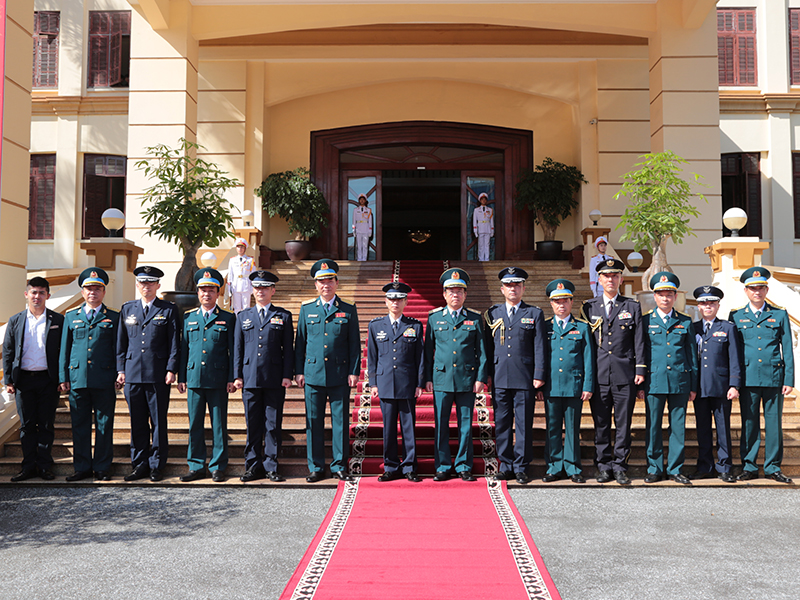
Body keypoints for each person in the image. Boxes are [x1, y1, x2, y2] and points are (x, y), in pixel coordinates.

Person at [580, 258, 645, 485]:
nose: (611, 279)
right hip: (598, 376)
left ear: (621, 279)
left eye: (615, 275)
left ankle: (620, 466)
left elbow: (639, 342)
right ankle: (603, 466)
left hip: (624, 374)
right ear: (599, 279)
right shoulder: (588, 308)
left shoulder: (632, 306)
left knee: (624, 424)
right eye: (606, 276)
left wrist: (640, 370)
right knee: (601, 424)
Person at [295, 259, 361, 482]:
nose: (326, 285)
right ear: (315, 285)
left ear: (337, 282)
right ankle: (315, 466)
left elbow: (354, 344)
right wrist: (299, 371)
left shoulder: (348, 309)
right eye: (321, 281)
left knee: (340, 422)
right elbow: (300, 344)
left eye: (329, 280)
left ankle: (339, 465)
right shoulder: (306, 309)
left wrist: (354, 372)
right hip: (313, 374)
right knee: (313, 422)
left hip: (340, 374)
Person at [730, 266, 794, 483]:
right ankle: (748, 465)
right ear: (746, 291)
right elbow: (733, 352)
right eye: (752, 288)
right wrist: (734, 381)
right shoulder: (736, 315)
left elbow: (788, 348)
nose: (756, 292)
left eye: (760, 288)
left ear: (766, 290)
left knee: (774, 424)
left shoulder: (779, 314)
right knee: (749, 423)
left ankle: (773, 467)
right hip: (747, 378)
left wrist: (789, 379)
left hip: (774, 377)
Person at [116, 266, 180, 482]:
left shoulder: (168, 309)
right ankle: (139, 463)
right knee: (137, 421)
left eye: (151, 283)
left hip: (158, 375)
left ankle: (157, 464)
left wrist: (172, 368)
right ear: (137, 285)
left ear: (158, 286)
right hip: (133, 374)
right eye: (143, 283)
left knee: (158, 421)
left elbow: (174, 342)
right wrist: (121, 369)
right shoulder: (128, 309)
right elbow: (121, 343)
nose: (146, 286)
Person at [424, 268, 488, 481]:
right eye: (451, 291)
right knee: (441, 425)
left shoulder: (476, 318)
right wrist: (427, 378)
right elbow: (427, 350)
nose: (455, 295)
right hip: (441, 379)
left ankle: (463, 466)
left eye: (459, 291)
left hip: (467, 380)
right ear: (444, 294)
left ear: (465, 294)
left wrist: (480, 377)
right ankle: (442, 465)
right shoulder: (434, 318)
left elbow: (482, 351)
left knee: (465, 425)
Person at [484, 267, 545, 484]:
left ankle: (521, 466)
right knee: (501, 423)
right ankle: (506, 464)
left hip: (525, 377)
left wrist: (539, 375)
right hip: (500, 376)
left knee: (523, 424)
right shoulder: (492, 313)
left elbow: (539, 346)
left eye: (517, 285)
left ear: (523, 288)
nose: (513, 289)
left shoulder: (534, 313)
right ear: (502, 289)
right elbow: (486, 348)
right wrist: (487, 375)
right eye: (509, 285)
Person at [58, 268, 119, 482]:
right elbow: (65, 349)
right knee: (80, 426)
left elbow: (117, 349)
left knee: (104, 425)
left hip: (104, 379)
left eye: (97, 288)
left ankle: (102, 467)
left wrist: (119, 374)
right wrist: (63, 377)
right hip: (78, 379)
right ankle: (82, 467)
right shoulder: (71, 316)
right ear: (83, 292)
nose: (92, 292)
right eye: (89, 288)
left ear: (103, 292)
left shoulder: (113, 317)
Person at [234, 270, 294, 482]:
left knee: (272, 424)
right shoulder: (243, 316)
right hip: (249, 377)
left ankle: (270, 465)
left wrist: (288, 375)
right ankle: (252, 466)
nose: (260, 291)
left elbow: (288, 349)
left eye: (265, 287)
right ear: (253, 291)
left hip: (274, 378)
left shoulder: (283, 316)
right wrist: (237, 376)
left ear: (273, 291)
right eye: (257, 287)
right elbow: (238, 349)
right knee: (253, 424)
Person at [3, 277, 64, 482]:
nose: (37, 296)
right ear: (26, 294)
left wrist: (62, 378)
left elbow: (63, 351)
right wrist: (8, 380)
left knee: (46, 425)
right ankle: (28, 466)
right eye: (33, 292)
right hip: (24, 381)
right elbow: (8, 350)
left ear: (48, 295)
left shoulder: (57, 320)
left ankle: (45, 466)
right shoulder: (16, 320)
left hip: (48, 380)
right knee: (27, 425)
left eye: (41, 292)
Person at [178, 269, 236, 483]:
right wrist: (181, 376)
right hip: (193, 378)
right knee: (195, 424)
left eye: (211, 290)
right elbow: (183, 349)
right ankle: (196, 465)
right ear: (197, 292)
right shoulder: (188, 317)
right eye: (203, 290)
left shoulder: (228, 318)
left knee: (219, 424)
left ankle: (218, 466)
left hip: (218, 379)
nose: (207, 294)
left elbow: (233, 351)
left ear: (218, 293)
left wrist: (232, 377)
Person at [642, 272, 698, 485]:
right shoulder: (646, 320)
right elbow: (642, 353)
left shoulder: (685, 321)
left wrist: (693, 385)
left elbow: (691, 354)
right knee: (653, 426)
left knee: (678, 427)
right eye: (661, 294)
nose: (665, 298)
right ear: (654, 296)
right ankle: (654, 468)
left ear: (675, 297)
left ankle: (675, 468)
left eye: (669, 294)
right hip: (654, 381)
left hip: (679, 381)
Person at [367, 282, 424, 483]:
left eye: (399, 299)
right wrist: (373, 383)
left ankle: (409, 467)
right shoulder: (375, 325)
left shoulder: (414, 326)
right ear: (386, 301)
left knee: (409, 428)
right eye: (392, 299)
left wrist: (419, 383)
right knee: (389, 429)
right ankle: (390, 466)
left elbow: (420, 357)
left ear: (406, 302)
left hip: (407, 383)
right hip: (384, 383)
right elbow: (372, 356)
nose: (395, 302)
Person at [540, 279, 594, 483]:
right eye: (557, 301)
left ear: (572, 303)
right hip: (551, 386)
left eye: (565, 301)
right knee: (552, 428)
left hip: (574, 386)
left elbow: (588, 358)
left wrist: (588, 385)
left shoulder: (581, 327)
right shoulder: (544, 327)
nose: (561, 305)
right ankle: (554, 466)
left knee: (572, 428)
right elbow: (540, 357)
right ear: (551, 304)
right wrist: (540, 383)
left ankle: (572, 468)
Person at [690, 285, 740, 483]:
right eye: (703, 303)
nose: (707, 306)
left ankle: (725, 466)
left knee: (722, 428)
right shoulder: (692, 328)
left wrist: (734, 385)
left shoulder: (727, 328)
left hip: (721, 388)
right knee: (702, 428)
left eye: (711, 302)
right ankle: (705, 466)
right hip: (700, 388)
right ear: (698, 306)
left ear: (718, 305)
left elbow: (735, 357)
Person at [226, 238, 255, 313]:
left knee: (246, 306)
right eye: (238, 247)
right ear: (236, 248)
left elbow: (253, 274)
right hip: (236, 285)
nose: (240, 249)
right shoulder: (232, 260)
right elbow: (230, 274)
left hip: (246, 285)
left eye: (242, 247)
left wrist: (252, 287)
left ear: (245, 248)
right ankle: (237, 322)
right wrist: (229, 288)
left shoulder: (250, 260)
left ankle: (246, 322)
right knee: (236, 307)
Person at [472, 193, 494, 262]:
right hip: (480, 228)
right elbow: (475, 221)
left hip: (487, 228)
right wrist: (475, 230)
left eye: (485, 199)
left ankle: (487, 259)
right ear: (480, 201)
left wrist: (492, 229)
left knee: (487, 245)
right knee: (481, 245)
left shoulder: (490, 210)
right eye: (482, 199)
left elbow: (491, 221)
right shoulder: (476, 210)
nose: (484, 201)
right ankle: (481, 259)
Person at [352, 194, 373, 261]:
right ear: (359, 200)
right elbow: (354, 220)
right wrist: (353, 229)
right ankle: (359, 258)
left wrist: (370, 230)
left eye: (363, 199)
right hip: (358, 228)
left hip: (366, 228)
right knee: (359, 245)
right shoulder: (355, 210)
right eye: (360, 199)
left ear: (365, 200)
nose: (362, 201)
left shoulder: (368, 210)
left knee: (365, 245)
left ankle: (364, 258)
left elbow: (370, 221)